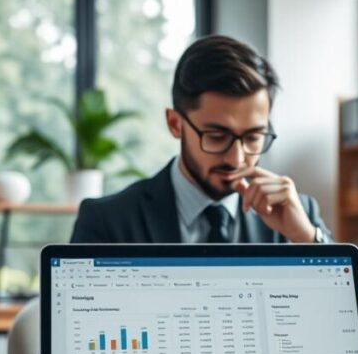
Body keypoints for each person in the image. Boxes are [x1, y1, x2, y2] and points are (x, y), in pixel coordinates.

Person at [70, 35, 332, 244]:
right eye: (217, 136)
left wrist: (307, 238)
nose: (236, 158)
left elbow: (340, 309)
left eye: (253, 137)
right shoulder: (107, 221)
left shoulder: (297, 213)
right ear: (175, 124)